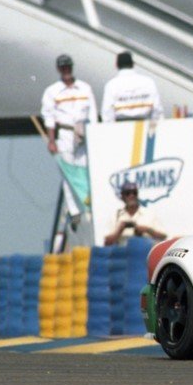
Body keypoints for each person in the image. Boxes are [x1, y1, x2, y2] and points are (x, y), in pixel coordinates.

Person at [40, 54, 98, 219]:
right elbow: (49, 117)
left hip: (83, 131)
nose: (66, 70)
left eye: (68, 67)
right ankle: (74, 210)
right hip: (65, 133)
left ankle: (89, 205)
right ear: (59, 69)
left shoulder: (85, 88)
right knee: (68, 172)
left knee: (85, 169)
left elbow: (92, 112)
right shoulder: (52, 91)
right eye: (63, 67)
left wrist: (93, 133)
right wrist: (51, 141)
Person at [101, 51, 163, 123]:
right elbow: (157, 109)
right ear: (133, 64)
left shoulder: (111, 85)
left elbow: (107, 112)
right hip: (145, 124)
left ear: (116, 65)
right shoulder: (148, 82)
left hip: (120, 126)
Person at [104, 182, 167, 246]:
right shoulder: (115, 216)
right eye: (127, 193)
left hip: (145, 252)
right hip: (122, 253)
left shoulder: (149, 214)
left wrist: (148, 230)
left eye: (134, 193)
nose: (132, 196)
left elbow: (163, 236)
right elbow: (107, 242)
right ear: (122, 196)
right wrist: (119, 230)